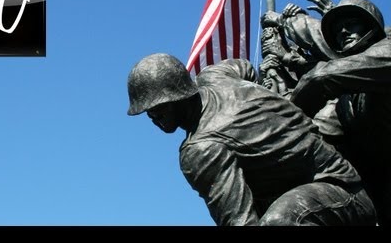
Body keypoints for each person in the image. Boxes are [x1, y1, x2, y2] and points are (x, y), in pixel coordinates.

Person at [126, 53, 376, 226]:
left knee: (279, 222)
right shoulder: (216, 75)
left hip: (344, 196)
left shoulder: (201, 149)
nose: (153, 115)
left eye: (160, 106)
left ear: (180, 95)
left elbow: (239, 221)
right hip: (339, 183)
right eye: (148, 110)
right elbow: (245, 66)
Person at [285, 0, 391, 226]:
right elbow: (321, 133)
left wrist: (283, 118)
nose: (343, 32)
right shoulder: (346, 97)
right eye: (337, 29)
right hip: (373, 191)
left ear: (371, 27)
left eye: (352, 24)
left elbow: (322, 77)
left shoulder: (385, 52)